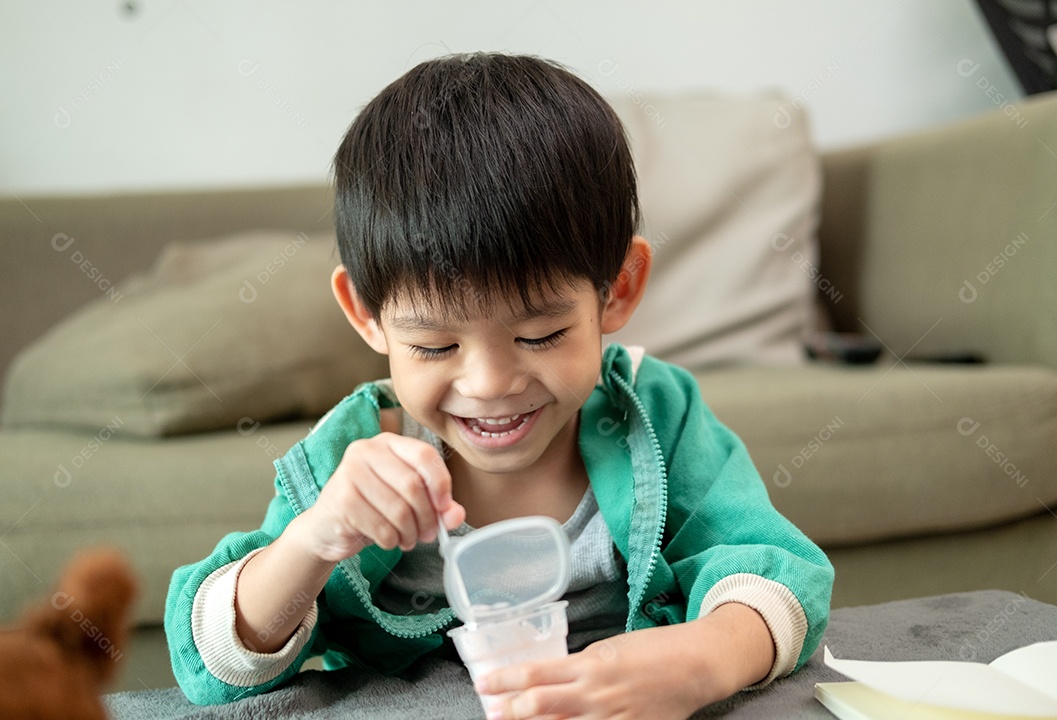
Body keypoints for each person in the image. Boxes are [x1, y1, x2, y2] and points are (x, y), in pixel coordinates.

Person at [165, 52, 834, 719]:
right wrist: (315, 539)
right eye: (435, 345)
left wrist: (704, 658)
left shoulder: (655, 416)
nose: (488, 384)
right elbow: (214, 667)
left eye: (540, 335)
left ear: (617, 289)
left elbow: (775, 571)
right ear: (366, 315)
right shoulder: (353, 458)